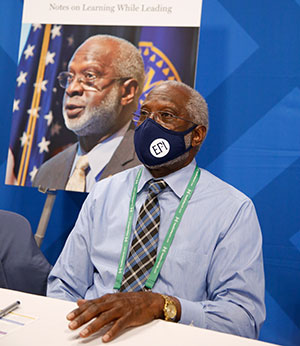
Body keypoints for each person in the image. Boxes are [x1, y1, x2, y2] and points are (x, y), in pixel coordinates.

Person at [47, 81, 265, 342]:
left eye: (166, 116)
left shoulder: (232, 210)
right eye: (144, 114)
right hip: (94, 336)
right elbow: (63, 285)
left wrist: (162, 306)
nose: (149, 125)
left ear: (197, 135)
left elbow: (243, 319)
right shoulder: (104, 192)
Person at [33, 34, 145, 192]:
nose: (72, 89)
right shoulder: (47, 172)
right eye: (70, 77)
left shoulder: (149, 168)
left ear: (127, 92)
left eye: (90, 76)